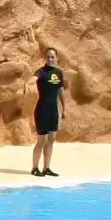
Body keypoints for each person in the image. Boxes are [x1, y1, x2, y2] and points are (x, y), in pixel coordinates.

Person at [32, 48, 65, 177]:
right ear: (45, 58)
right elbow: (34, 78)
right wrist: (27, 84)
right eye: (48, 57)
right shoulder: (41, 71)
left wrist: (64, 108)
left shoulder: (59, 73)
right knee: (42, 140)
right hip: (42, 110)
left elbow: (61, 91)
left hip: (53, 111)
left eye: (52, 57)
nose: (50, 59)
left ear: (56, 58)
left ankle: (47, 167)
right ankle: (35, 168)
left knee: (51, 139)